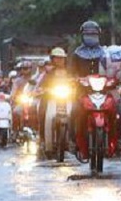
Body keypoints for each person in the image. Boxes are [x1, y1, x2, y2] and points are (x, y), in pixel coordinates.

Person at [69, 20, 107, 156]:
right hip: (82, 91)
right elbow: (71, 72)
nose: (90, 36)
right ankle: (73, 141)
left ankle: (118, 140)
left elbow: (111, 70)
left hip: (102, 90)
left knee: (119, 109)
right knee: (74, 111)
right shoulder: (77, 54)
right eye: (87, 34)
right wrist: (74, 79)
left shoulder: (105, 53)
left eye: (93, 34)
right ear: (82, 36)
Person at [36, 47, 70, 156]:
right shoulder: (48, 73)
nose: (59, 60)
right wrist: (42, 90)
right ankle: (46, 143)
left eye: (61, 58)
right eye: (56, 58)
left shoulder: (70, 72)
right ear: (52, 59)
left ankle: (74, 141)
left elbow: (76, 82)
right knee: (44, 114)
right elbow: (41, 85)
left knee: (77, 113)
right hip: (52, 98)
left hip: (68, 98)